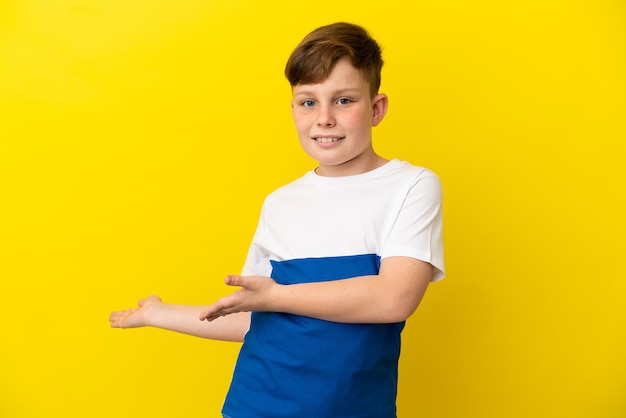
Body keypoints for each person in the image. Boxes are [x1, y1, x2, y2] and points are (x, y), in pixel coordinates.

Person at [109, 21, 445, 418]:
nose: (323, 118)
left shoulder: (411, 186)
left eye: (343, 101)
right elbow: (253, 317)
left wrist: (276, 295)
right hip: (254, 404)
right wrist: (157, 313)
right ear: (293, 110)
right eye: (308, 102)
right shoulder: (280, 203)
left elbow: (395, 298)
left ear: (376, 109)